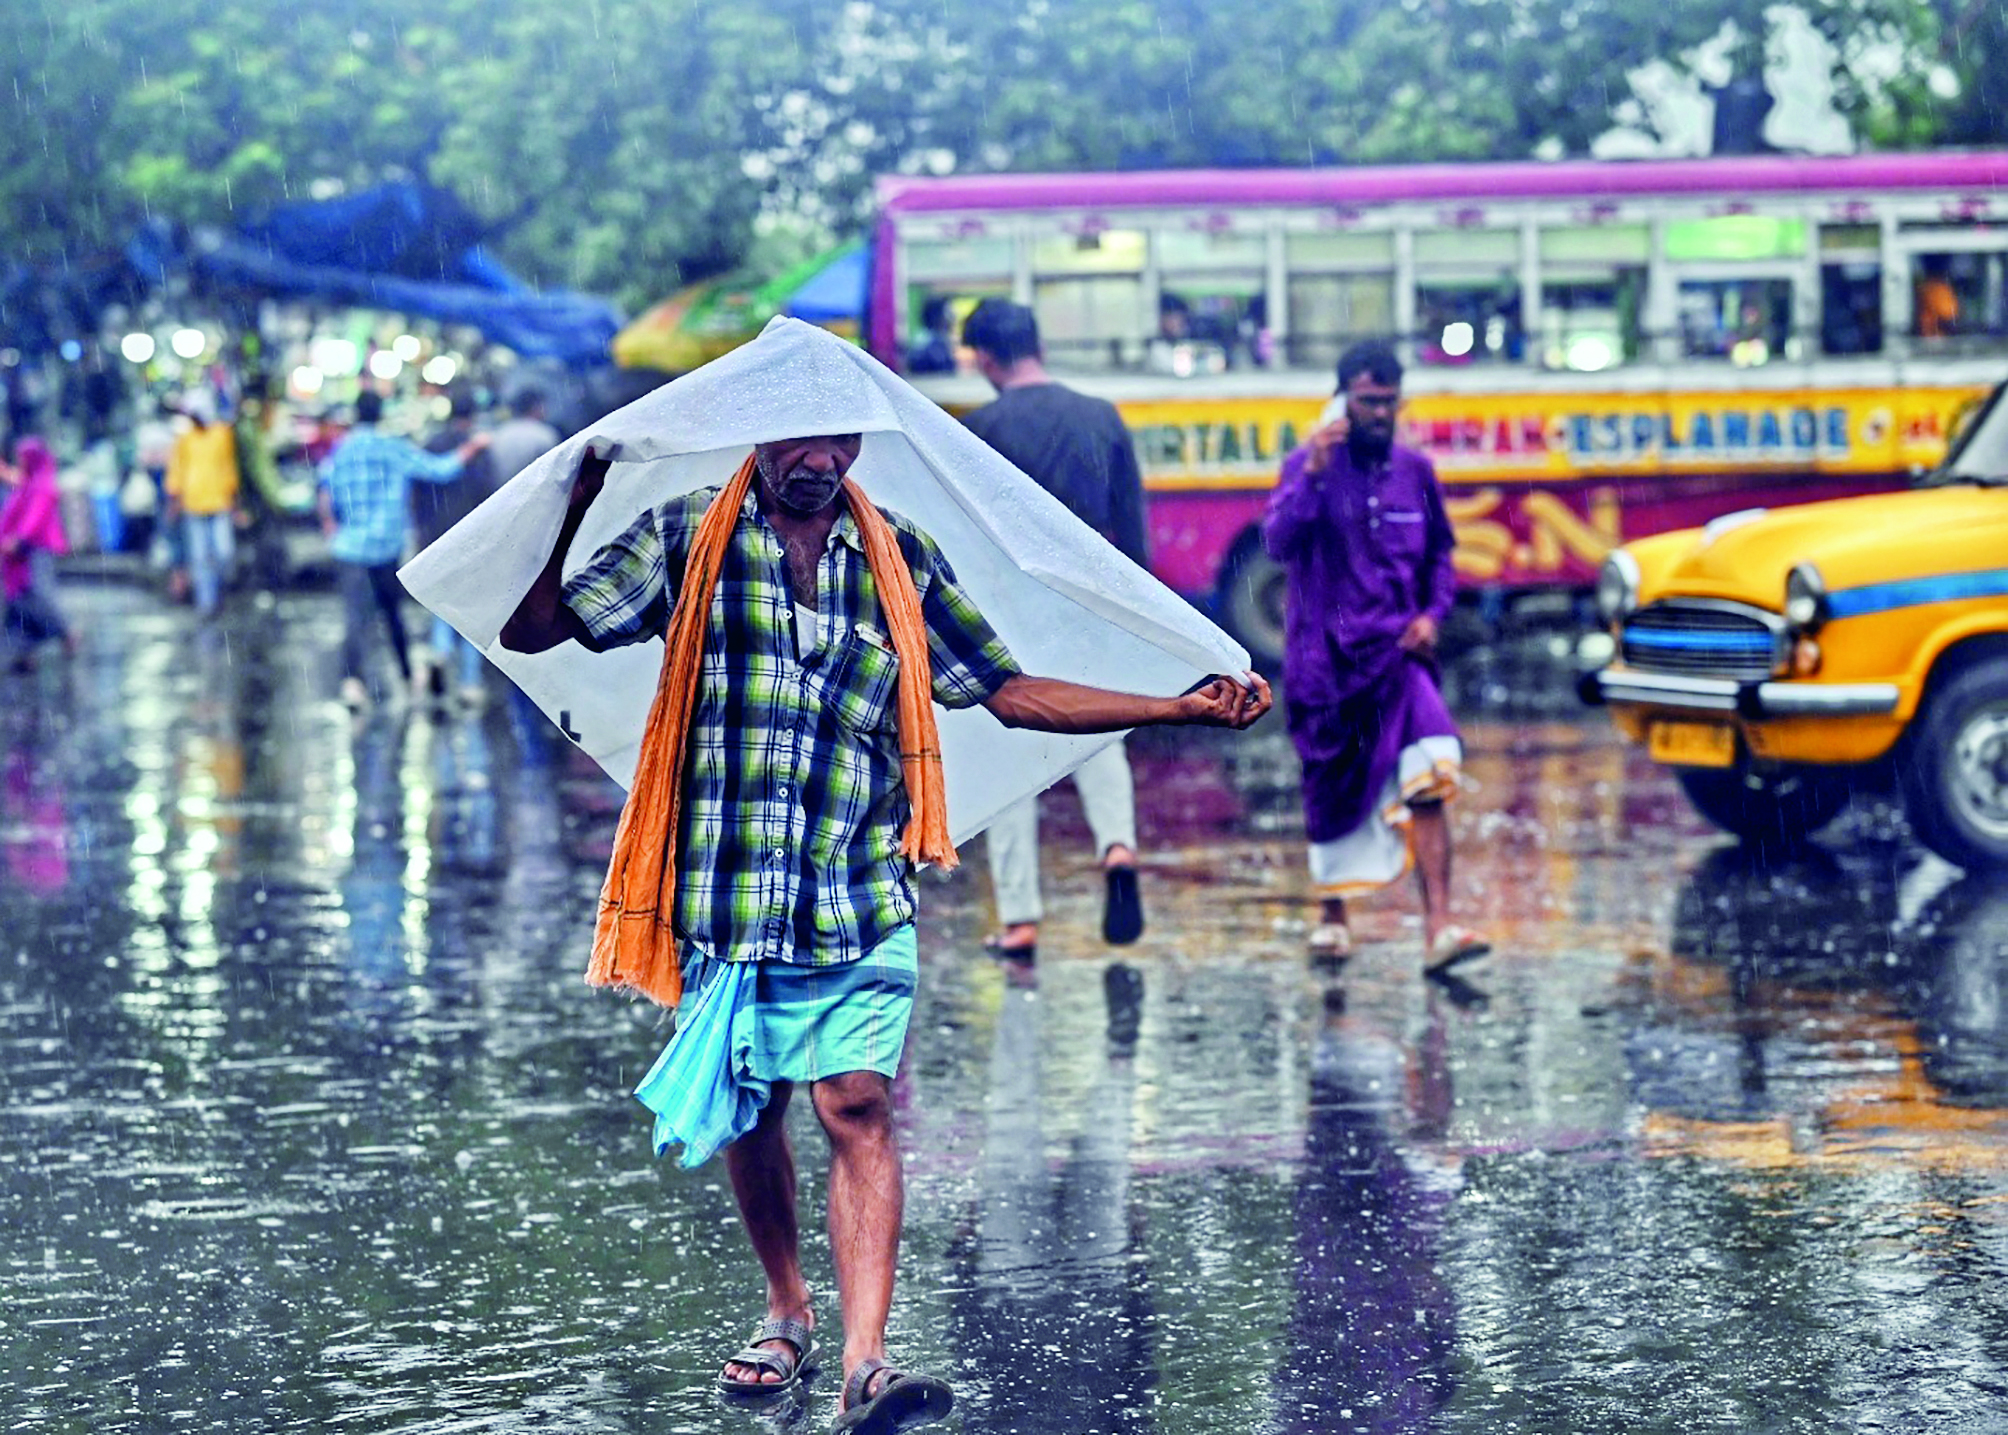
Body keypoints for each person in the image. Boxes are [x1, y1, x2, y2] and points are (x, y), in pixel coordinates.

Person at [499, 431, 1270, 1433]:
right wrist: (576, 504)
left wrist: (1173, 708)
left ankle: (867, 1358)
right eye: (795, 439)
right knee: (750, 1108)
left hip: (861, 883)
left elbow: (1007, 689)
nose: (816, 458)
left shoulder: (899, 558)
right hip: (732, 888)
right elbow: (536, 628)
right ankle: (787, 1309)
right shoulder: (690, 532)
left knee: (856, 1103)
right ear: (762, 435)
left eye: (835, 440)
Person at [1262, 339, 1488, 972]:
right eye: (1369, 402)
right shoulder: (1306, 466)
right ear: (1343, 401)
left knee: (1430, 771)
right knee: (1331, 788)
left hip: (1398, 656)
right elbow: (1277, 543)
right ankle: (1333, 916)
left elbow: (1441, 555)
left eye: (1391, 402)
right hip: (1324, 664)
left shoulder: (1416, 472)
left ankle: (1440, 928)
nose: (1382, 414)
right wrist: (1311, 474)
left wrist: (1430, 616)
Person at [960, 298, 1152, 959]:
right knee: (1102, 735)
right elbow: (1132, 530)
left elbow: (969, 536)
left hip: (1013, 611)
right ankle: (1119, 847)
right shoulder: (1100, 417)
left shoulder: (979, 428)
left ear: (986, 357)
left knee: (1014, 758)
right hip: (1090, 608)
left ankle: (1020, 919)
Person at [319, 390, 489, 710]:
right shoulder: (392, 448)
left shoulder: (341, 451)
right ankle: (409, 677)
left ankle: (353, 684)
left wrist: (332, 525)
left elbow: (326, 491)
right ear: (380, 414)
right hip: (386, 545)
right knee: (392, 614)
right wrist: (472, 447)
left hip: (350, 546)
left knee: (356, 617)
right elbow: (440, 470)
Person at [413, 393, 499, 706]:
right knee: (470, 607)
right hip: (470, 538)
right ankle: (469, 684)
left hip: (436, 536)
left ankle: (440, 651)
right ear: (473, 415)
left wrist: (423, 531)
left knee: (441, 600)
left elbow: (419, 491)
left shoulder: (431, 444)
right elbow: (489, 495)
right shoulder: (480, 450)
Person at [0, 438, 74, 673]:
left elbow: (35, 518)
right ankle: (23, 652)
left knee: (38, 597)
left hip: (33, 550)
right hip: (18, 556)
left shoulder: (42, 485)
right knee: (20, 605)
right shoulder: (27, 483)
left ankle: (65, 632)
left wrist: (19, 540)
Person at [164, 389, 240, 618]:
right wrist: (174, 500)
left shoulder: (222, 434)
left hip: (219, 503)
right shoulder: (184, 439)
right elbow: (177, 470)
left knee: (223, 552)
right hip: (193, 505)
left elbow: (228, 468)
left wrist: (235, 503)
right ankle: (207, 604)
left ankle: (219, 593)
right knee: (199, 557)